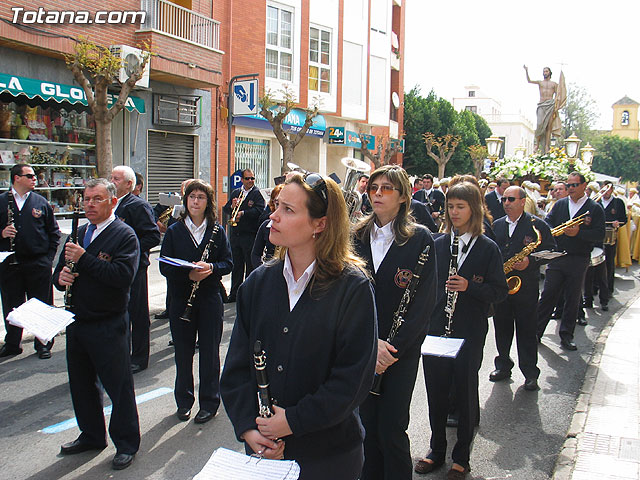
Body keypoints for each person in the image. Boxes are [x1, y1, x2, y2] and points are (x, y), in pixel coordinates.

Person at [220, 172, 377, 480]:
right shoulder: (258, 283)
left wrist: (293, 421)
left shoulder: (352, 288)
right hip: (266, 452)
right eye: (276, 206)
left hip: (329, 458)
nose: (272, 218)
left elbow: (352, 381)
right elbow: (237, 368)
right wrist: (249, 429)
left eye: (287, 210)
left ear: (320, 224)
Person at [416, 181, 508, 479]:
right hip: (437, 329)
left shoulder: (487, 248)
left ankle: (461, 457)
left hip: (468, 331)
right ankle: (436, 449)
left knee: (466, 393)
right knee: (436, 393)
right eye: (450, 207)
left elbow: (500, 291)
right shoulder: (438, 243)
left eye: (461, 207)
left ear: (475, 209)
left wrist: (471, 286)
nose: (454, 213)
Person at [354, 165, 437, 480]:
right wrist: (367, 345)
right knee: (364, 429)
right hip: (361, 349)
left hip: (398, 353)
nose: (377, 193)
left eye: (386, 188)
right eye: (374, 187)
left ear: (404, 196)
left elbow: (424, 304)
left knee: (392, 429)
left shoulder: (420, 239)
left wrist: (391, 350)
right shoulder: (355, 234)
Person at [53, 178, 140, 471]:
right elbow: (60, 271)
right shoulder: (79, 232)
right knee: (81, 385)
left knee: (118, 387)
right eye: (86, 199)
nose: (89, 204)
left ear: (112, 202)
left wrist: (85, 258)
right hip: (77, 321)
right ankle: (91, 434)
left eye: (97, 199)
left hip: (108, 322)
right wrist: (60, 278)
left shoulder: (124, 235)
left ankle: (126, 443)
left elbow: (121, 277)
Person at [160, 180, 232, 424]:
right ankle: (184, 401)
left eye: (201, 197)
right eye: (192, 197)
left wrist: (211, 267)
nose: (195, 201)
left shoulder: (217, 231)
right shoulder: (174, 230)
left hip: (210, 298)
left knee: (210, 352)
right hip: (181, 298)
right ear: (186, 200)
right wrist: (187, 274)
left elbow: (228, 263)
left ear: (207, 202)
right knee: (183, 352)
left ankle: (210, 402)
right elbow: (164, 265)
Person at [490, 186, 555, 391]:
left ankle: (530, 372)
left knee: (526, 331)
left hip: (525, 288)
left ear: (522, 201)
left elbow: (550, 249)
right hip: (502, 286)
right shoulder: (497, 225)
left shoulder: (537, 225)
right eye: (504, 200)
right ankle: (503, 365)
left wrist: (531, 262)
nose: (506, 203)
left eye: (511, 199)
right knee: (502, 328)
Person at [537, 172, 605, 351]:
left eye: (574, 185)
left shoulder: (594, 208)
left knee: (573, 298)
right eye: (569, 186)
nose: (571, 189)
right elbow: (548, 225)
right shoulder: (560, 205)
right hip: (558, 256)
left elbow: (599, 234)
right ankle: (536, 331)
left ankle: (566, 335)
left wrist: (578, 234)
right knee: (548, 294)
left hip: (578, 258)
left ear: (584, 186)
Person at [0, 163, 61, 359]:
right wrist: (1, 233)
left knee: (42, 304)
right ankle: (12, 344)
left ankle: (43, 343)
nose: (35, 179)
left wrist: (48, 259)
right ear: (16, 178)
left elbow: (54, 232)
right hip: (10, 263)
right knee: (12, 304)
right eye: (30, 176)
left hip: (37, 263)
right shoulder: (2, 201)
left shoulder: (40, 202)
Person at [110, 166, 161, 373]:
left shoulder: (137, 206)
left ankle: (139, 358)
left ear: (129, 184)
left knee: (137, 314)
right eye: (111, 177)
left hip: (134, 268)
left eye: (116, 179)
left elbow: (152, 236)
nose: (111, 181)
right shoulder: (112, 204)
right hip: (113, 268)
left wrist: (127, 249)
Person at [222, 168, 265, 302]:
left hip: (250, 234)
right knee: (236, 265)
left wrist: (243, 213)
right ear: (242, 180)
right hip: (236, 235)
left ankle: (248, 294)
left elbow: (259, 210)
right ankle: (234, 293)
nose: (250, 181)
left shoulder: (257, 193)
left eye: (252, 178)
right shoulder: (236, 192)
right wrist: (232, 206)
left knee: (250, 266)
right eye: (248, 178)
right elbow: (225, 208)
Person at [524, 65, 566, 153]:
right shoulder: (540, 83)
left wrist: (557, 103)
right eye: (544, 71)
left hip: (550, 105)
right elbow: (529, 81)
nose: (545, 73)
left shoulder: (554, 84)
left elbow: (559, 94)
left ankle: (547, 146)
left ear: (550, 73)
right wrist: (526, 71)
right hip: (542, 105)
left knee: (548, 127)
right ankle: (537, 144)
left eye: (546, 71)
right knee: (539, 124)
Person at [597, 182, 627, 294]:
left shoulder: (618, 203)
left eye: (608, 189)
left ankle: (608, 289)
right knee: (596, 262)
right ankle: (595, 287)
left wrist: (617, 223)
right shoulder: (597, 202)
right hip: (597, 235)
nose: (606, 192)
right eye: (604, 189)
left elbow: (624, 219)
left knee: (609, 263)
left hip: (611, 235)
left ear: (612, 190)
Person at [251, 184, 283, 268]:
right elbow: (255, 254)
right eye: (277, 203)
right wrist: (262, 271)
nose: (279, 208)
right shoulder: (266, 225)